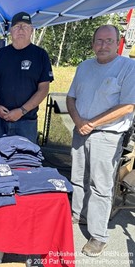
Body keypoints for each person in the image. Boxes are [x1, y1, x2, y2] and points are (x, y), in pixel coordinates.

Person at [66, 24, 135, 257]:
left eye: (108, 40)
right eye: (99, 40)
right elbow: (71, 97)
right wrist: (78, 121)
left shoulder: (128, 67)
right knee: (77, 177)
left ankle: (98, 236)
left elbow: (127, 106)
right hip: (80, 130)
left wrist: (92, 123)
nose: (103, 45)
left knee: (100, 186)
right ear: (93, 43)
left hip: (107, 135)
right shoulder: (84, 66)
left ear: (118, 43)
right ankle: (78, 215)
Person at [0, 11, 53, 145]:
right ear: (11, 31)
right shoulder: (0, 54)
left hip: (26, 122)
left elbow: (43, 89)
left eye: (25, 26)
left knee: (25, 163)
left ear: (31, 30)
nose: (21, 30)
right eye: (17, 27)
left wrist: (22, 111)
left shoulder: (40, 55)